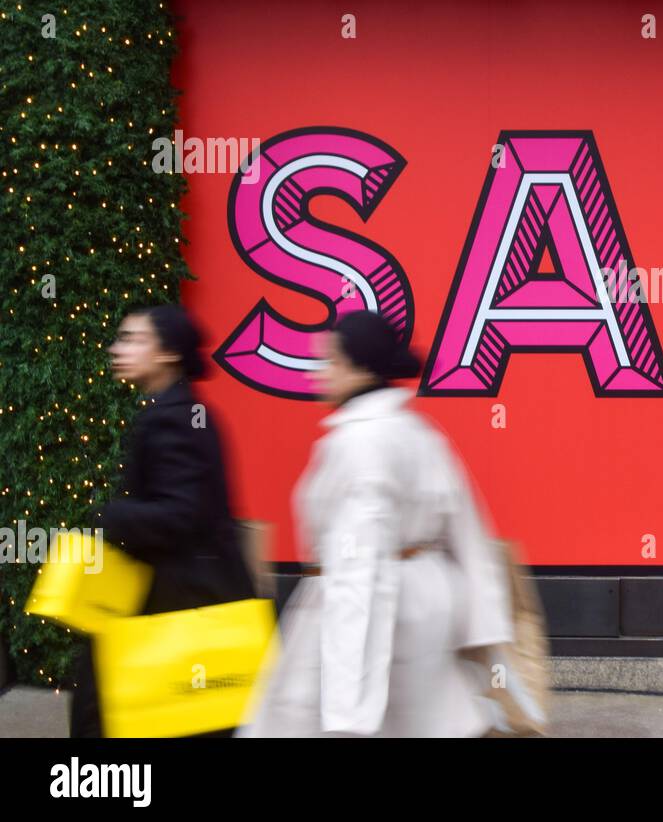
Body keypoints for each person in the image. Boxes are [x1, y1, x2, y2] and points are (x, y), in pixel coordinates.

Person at [238, 310, 513, 737]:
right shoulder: (419, 432)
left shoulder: (360, 443)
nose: (321, 372)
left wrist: (346, 712)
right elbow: (468, 532)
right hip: (428, 602)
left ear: (359, 367)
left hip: (377, 613)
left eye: (330, 360)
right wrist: (483, 627)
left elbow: (357, 567)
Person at [68, 304, 255, 737]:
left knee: (109, 714)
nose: (118, 349)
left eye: (133, 339)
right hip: (180, 599)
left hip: (173, 602)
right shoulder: (182, 411)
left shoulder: (173, 418)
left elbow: (182, 513)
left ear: (168, 353)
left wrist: (110, 515)